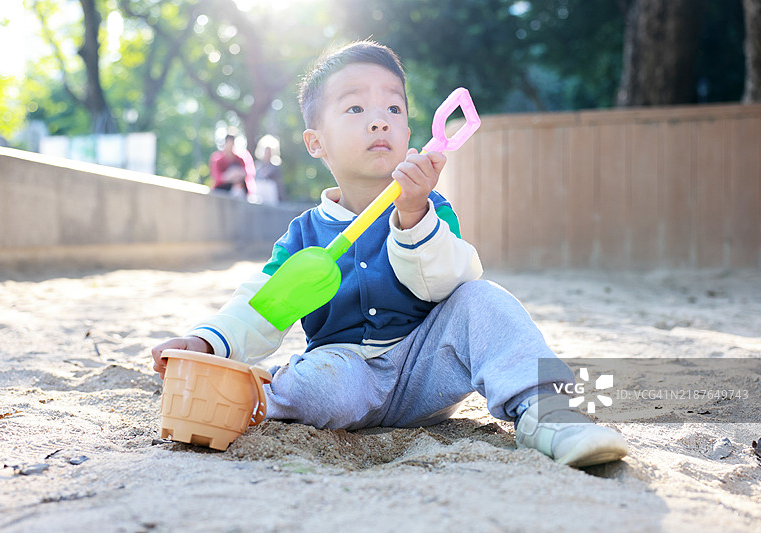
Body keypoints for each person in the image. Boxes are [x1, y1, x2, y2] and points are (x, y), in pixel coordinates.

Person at [152, 41, 628, 468]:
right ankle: (259, 398)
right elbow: (262, 303)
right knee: (314, 383)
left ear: (408, 131)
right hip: (346, 371)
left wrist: (414, 216)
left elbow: (443, 284)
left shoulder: (430, 209)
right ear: (316, 142)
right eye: (355, 107)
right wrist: (208, 341)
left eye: (394, 108)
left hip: (427, 371)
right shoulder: (305, 234)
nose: (379, 119)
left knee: (484, 301)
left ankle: (548, 410)